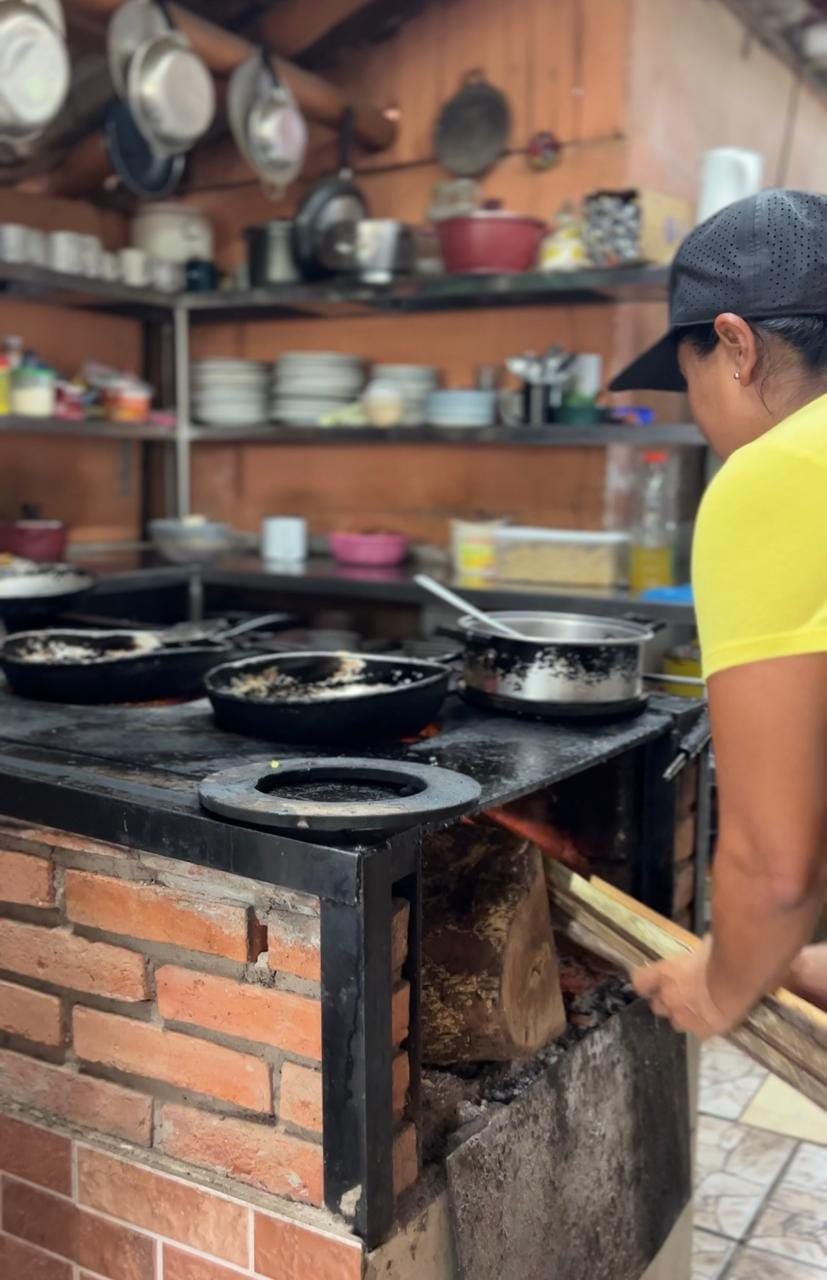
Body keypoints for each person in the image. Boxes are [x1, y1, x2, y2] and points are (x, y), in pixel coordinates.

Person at [609, 188, 827, 1038]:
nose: (699, 418)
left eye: (689, 376)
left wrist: (722, 986)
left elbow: (776, 869)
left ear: (733, 346)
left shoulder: (777, 472)